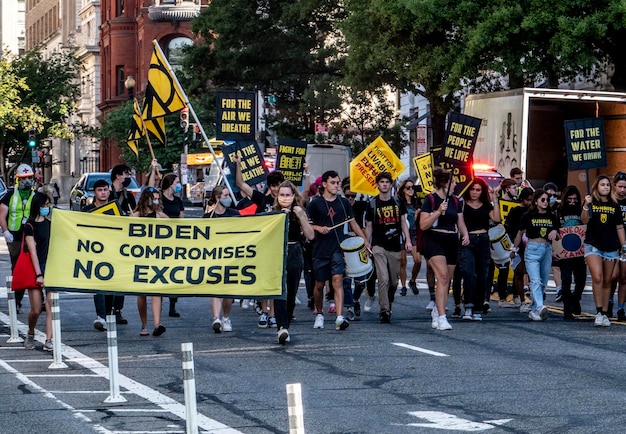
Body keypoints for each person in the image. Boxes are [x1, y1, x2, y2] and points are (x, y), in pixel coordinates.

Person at [307, 170, 369, 331]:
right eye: (333, 183)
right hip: (320, 250)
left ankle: (339, 317)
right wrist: (318, 228)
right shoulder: (315, 203)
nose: (336, 186)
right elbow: (307, 225)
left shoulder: (343, 202)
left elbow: (353, 223)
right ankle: (319, 313)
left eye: (338, 183)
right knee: (319, 285)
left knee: (338, 280)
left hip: (338, 249)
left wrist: (364, 241)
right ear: (325, 184)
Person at [419, 167, 469, 331]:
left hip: (451, 240)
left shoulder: (456, 201)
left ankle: (437, 310)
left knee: (447, 280)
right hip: (434, 239)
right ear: (444, 183)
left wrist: (465, 235)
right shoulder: (430, 200)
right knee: (442, 276)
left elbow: (460, 222)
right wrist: (438, 212)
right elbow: (423, 224)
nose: (455, 185)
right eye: (453, 182)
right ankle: (442, 317)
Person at [365, 172, 412, 323]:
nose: (384, 184)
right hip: (378, 245)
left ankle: (388, 303)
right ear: (377, 185)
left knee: (393, 281)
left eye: (387, 182)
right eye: (382, 182)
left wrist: (408, 240)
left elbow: (404, 222)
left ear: (391, 185)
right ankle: (384, 310)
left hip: (395, 246)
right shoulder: (372, 204)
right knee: (383, 278)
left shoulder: (398, 202)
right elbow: (369, 226)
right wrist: (367, 243)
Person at [581, 175, 626, 327]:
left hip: (611, 246)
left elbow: (619, 227)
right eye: (602, 184)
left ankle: (605, 312)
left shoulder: (615, 206)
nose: (605, 187)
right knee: (598, 277)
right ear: (596, 187)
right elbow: (584, 220)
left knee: (607, 281)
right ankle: (599, 311)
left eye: (607, 184)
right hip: (593, 245)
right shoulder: (591, 202)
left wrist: (624, 246)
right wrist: (586, 206)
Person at [273, 181, 314, 343]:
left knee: (291, 292)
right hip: (277, 253)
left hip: (295, 251)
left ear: (293, 196)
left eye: (287, 195)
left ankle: (286, 324)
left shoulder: (299, 212)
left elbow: (310, 236)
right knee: (279, 291)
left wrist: (301, 216)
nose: (285, 198)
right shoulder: (273, 213)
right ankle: (281, 327)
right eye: (282, 195)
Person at [512, 189, 560, 321]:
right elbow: (520, 233)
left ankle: (533, 309)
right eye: (542, 200)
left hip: (547, 249)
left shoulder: (552, 216)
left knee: (543, 281)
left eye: (547, 200)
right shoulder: (528, 216)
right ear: (536, 201)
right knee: (535, 280)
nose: (545, 202)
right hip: (532, 248)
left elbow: (558, 232)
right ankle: (540, 306)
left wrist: (555, 232)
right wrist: (514, 249)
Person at [458, 178, 500, 321]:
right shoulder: (463, 205)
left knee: (483, 275)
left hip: (483, 240)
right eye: (472, 189)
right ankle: (468, 306)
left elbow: (497, 218)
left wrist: (496, 200)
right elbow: (459, 221)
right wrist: (464, 235)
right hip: (468, 240)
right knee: (469, 273)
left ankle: (477, 308)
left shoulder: (486, 205)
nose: (475, 192)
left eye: (478, 190)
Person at [82, 179, 120, 331]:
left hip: (112, 251)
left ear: (109, 191)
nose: (103, 193)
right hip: (95, 252)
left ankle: (108, 314)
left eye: (105, 189)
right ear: (94, 192)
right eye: (100, 190)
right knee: (98, 284)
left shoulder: (115, 208)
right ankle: (101, 316)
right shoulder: (87, 209)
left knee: (110, 285)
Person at [0, 163, 37, 312]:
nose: (27, 181)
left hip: (31, 236)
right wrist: (5, 231)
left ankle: (34, 300)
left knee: (34, 267)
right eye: (23, 178)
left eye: (29, 178)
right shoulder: (10, 195)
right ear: (18, 179)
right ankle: (16, 300)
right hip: (14, 237)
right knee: (17, 268)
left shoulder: (36, 195)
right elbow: (1, 215)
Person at [203, 185, 239, 333]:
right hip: (214, 257)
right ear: (217, 198)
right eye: (224, 195)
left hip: (230, 257)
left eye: (227, 195)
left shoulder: (234, 214)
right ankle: (216, 318)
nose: (227, 198)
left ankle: (225, 316)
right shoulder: (208, 217)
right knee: (216, 289)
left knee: (227, 292)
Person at [133, 188, 168, 336]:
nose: (155, 201)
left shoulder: (159, 215)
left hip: (156, 257)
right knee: (141, 295)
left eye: (157, 199)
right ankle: (144, 325)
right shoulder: (134, 216)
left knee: (156, 292)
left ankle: (156, 324)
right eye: (153, 198)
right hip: (140, 258)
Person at [107, 164, 137, 325]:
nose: (128, 177)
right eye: (127, 174)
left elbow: (135, 213)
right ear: (118, 176)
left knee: (120, 277)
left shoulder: (128, 196)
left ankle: (117, 309)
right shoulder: (107, 193)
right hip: (109, 240)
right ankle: (106, 309)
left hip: (123, 241)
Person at [23, 192, 53, 350]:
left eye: (48, 205)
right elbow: (32, 251)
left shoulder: (50, 224)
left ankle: (49, 339)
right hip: (37, 268)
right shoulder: (29, 226)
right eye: (43, 205)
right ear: (37, 206)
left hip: (51, 267)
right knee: (36, 310)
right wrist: (39, 274)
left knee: (50, 305)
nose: (46, 208)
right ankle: (31, 332)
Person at [556, 185, 586, 320]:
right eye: (570, 199)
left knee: (581, 279)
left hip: (580, 250)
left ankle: (576, 299)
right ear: (565, 199)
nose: (572, 202)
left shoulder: (581, 210)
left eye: (575, 199)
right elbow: (554, 227)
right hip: (564, 251)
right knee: (566, 280)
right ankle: (567, 308)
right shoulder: (558, 211)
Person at [504, 187, 534, 313]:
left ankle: (529, 299)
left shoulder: (535, 211)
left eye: (532, 200)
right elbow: (509, 228)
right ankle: (521, 299)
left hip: (531, 243)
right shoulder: (516, 211)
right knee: (519, 272)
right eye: (528, 200)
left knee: (531, 273)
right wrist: (513, 246)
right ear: (523, 199)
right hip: (518, 243)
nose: (530, 202)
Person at [160, 173, 185, 318]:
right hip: (162, 240)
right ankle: (160, 303)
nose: (178, 184)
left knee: (175, 271)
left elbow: (181, 219)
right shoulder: (160, 199)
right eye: (177, 182)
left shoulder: (178, 200)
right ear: (170, 184)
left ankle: (172, 305)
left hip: (175, 240)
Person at [397, 179, 422, 296]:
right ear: (403, 190)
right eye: (408, 188)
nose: (411, 189)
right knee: (403, 261)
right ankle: (403, 285)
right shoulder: (399, 202)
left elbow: (422, 221)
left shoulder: (417, 202)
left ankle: (412, 280)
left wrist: (418, 216)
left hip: (414, 233)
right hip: (401, 233)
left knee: (418, 260)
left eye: (412, 187)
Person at [543, 182, 562, 302]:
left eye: (553, 195)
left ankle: (559, 289)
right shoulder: (540, 208)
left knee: (556, 267)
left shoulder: (559, 209)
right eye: (548, 195)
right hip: (542, 240)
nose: (551, 198)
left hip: (555, 240)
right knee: (542, 268)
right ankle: (541, 289)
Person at [612, 172, 626, 321]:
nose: (622, 190)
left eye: (625, 187)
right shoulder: (610, 201)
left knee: (623, 277)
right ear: (614, 186)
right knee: (613, 276)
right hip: (611, 243)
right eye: (620, 187)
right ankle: (608, 300)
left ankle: (621, 308)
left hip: (625, 245)